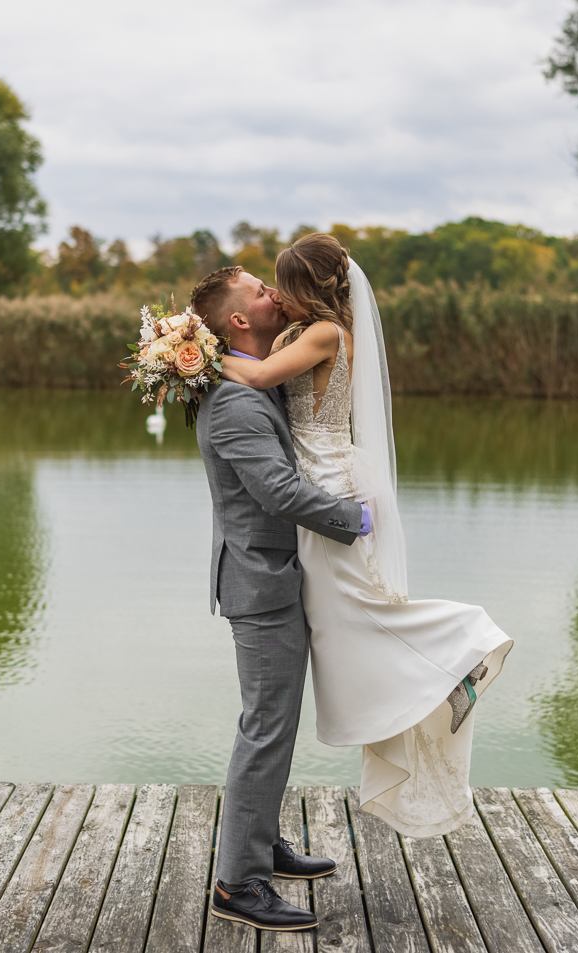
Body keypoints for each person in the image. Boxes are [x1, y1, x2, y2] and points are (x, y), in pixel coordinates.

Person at [219, 232, 513, 838]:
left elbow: (257, 378)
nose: (274, 293)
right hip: (314, 475)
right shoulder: (295, 333)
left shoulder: (327, 332)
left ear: (312, 289)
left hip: (329, 481)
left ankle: (465, 649)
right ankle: (421, 689)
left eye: (282, 284)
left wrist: (188, 354)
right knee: (341, 617)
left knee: (360, 607)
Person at [189, 263, 369, 932]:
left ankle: (259, 844)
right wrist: (358, 520)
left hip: (275, 573)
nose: (273, 292)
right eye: (260, 291)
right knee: (264, 728)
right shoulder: (235, 402)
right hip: (260, 583)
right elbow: (280, 494)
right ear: (239, 320)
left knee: (276, 723)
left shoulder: (259, 378)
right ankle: (237, 884)